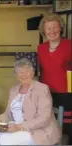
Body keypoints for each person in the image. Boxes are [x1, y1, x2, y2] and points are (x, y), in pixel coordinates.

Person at [0, 58, 61, 145]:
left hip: (37, 131)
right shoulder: (14, 90)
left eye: (27, 71)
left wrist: (20, 127)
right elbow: (7, 114)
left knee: (6, 138)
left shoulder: (42, 89)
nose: (24, 75)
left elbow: (43, 118)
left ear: (32, 73)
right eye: (20, 72)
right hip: (14, 125)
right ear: (16, 75)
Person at [37, 13, 72, 144]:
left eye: (55, 27)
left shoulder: (69, 45)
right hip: (47, 92)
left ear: (60, 28)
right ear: (44, 31)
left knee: (67, 125)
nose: (52, 31)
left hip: (67, 91)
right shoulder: (41, 48)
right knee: (51, 124)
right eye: (49, 28)